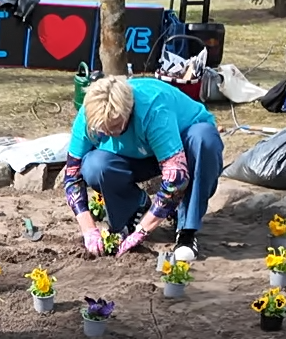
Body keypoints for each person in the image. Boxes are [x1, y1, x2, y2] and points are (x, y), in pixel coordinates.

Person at [60, 75, 224, 259]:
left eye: (114, 127)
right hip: (138, 154)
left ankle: (186, 229)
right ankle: (134, 208)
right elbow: (72, 176)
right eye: (102, 130)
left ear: (128, 112)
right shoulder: (88, 116)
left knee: (203, 138)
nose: (108, 134)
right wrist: (89, 229)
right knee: (94, 166)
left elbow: (176, 179)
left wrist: (142, 230)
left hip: (183, 146)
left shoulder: (153, 108)